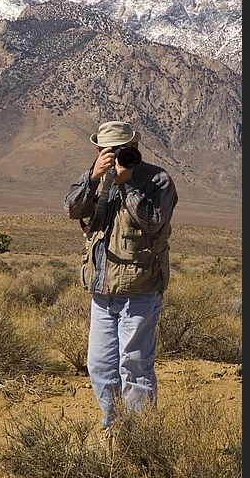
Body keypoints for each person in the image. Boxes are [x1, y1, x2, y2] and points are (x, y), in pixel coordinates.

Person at [64, 120, 178, 432]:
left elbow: (153, 221)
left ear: (135, 148)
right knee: (100, 366)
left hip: (140, 287)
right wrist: (93, 178)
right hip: (102, 287)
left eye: (121, 150)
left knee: (135, 366)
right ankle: (113, 427)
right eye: (107, 150)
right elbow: (72, 209)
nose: (114, 155)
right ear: (98, 150)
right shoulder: (97, 175)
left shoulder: (158, 180)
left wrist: (126, 182)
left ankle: (137, 435)